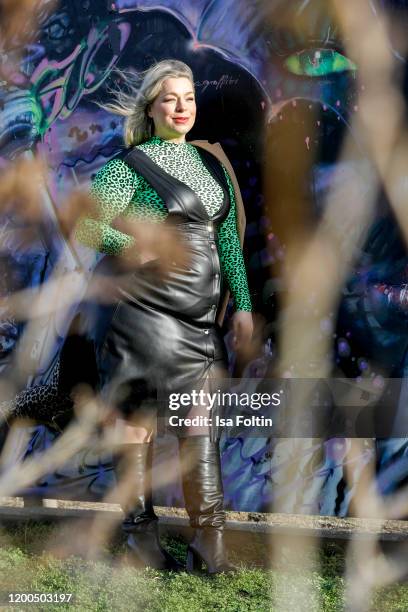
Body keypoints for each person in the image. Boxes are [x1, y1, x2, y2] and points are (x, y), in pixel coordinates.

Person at [76, 59, 253, 573]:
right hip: (139, 317)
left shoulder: (213, 166)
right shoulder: (128, 165)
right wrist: (137, 248)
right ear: (151, 107)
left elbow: (228, 246)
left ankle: (209, 545)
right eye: (171, 99)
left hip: (198, 325)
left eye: (190, 98)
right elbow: (88, 228)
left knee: (200, 428)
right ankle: (141, 543)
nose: (182, 108)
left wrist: (241, 305)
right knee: (137, 428)